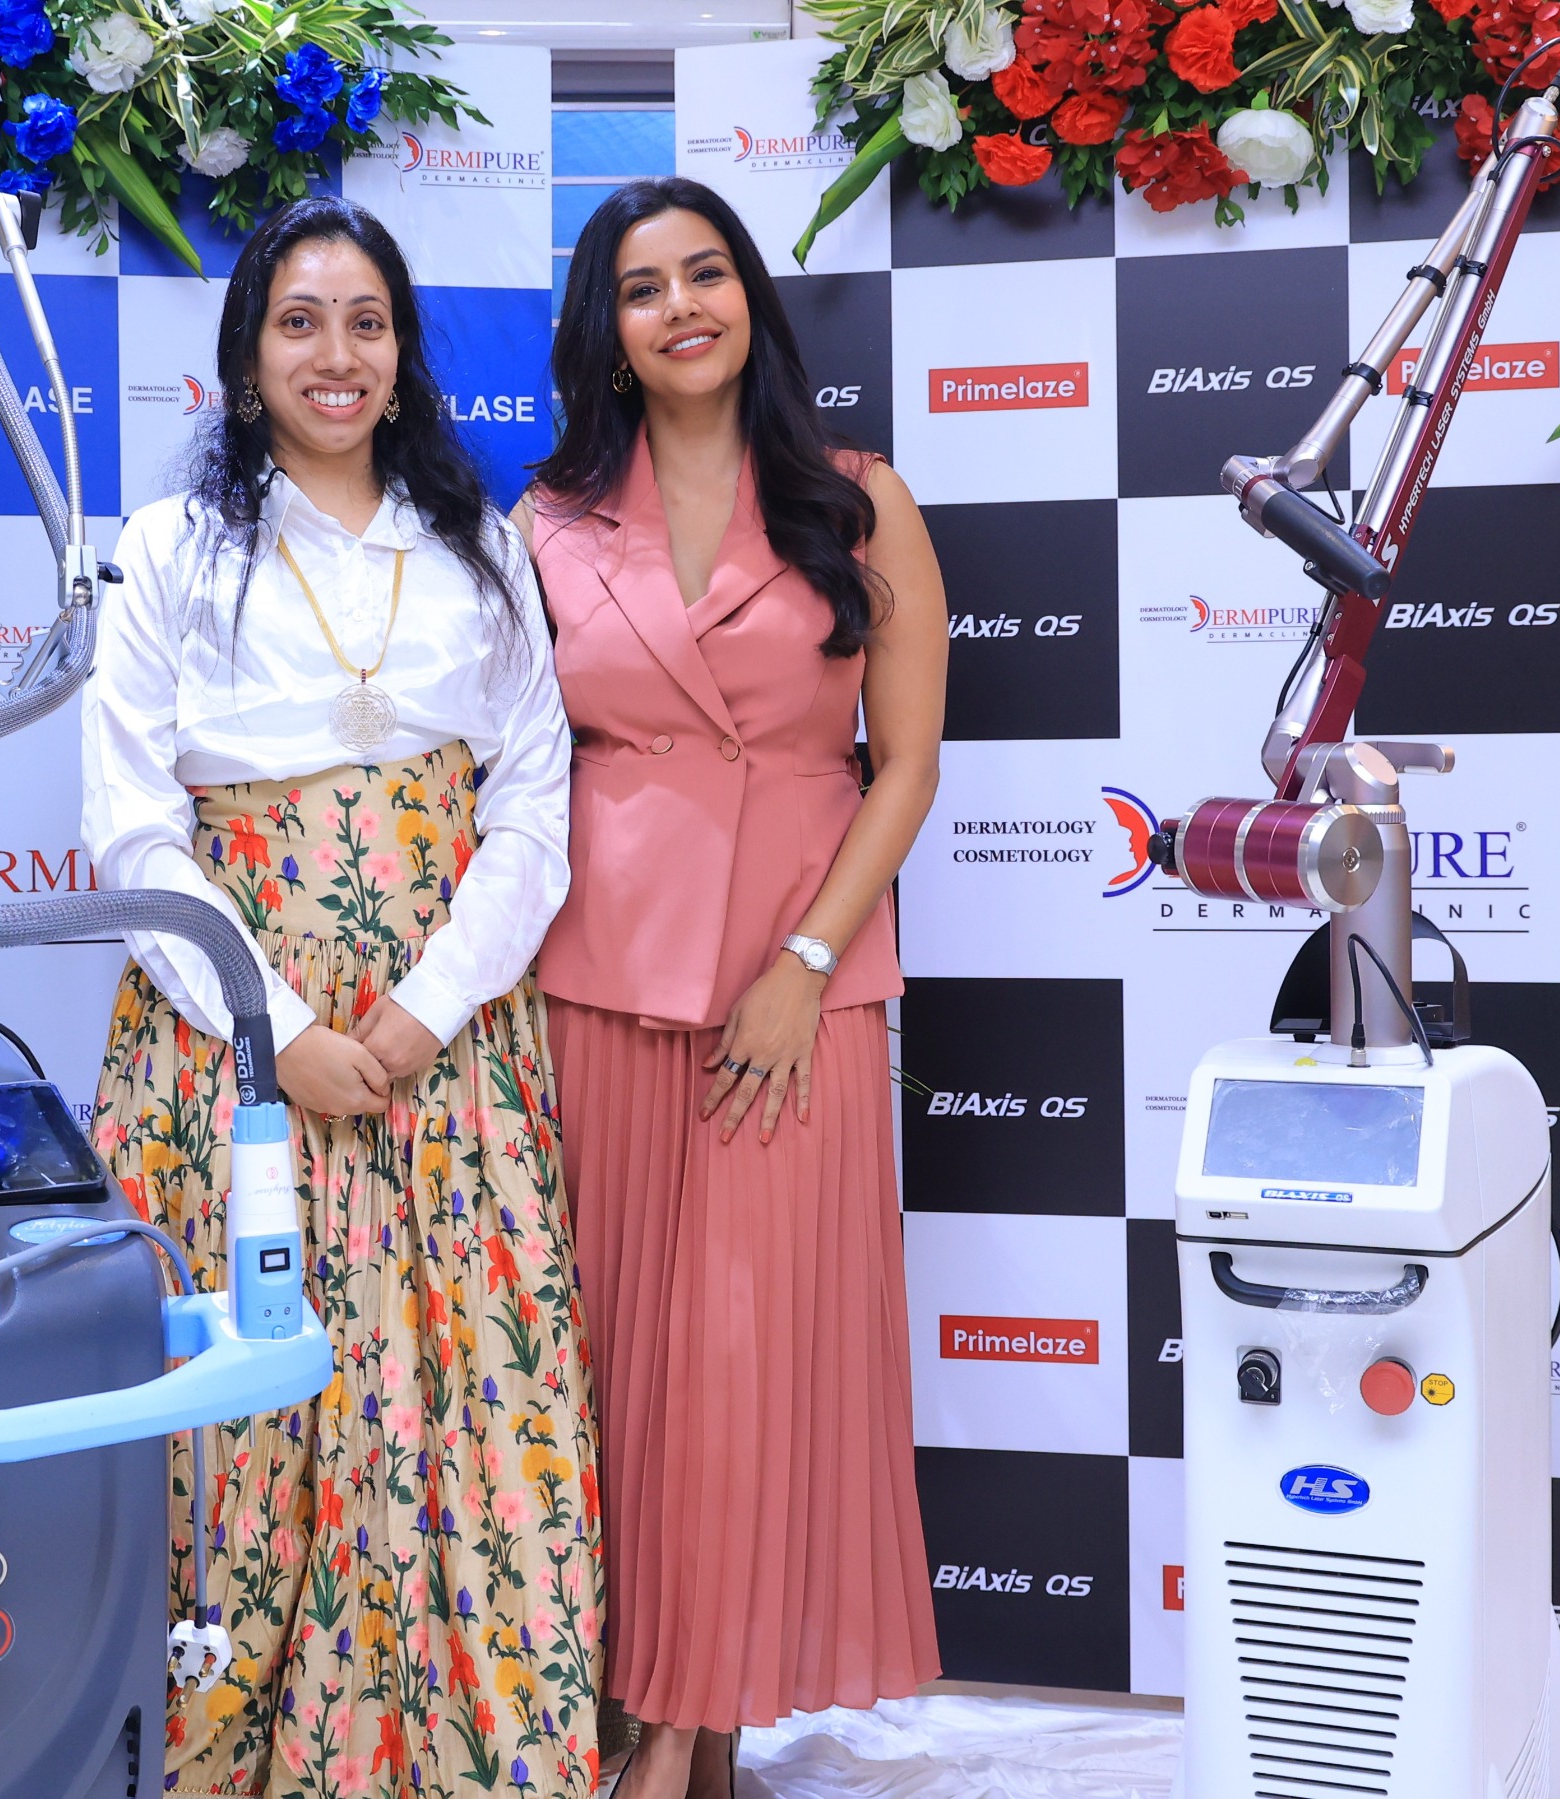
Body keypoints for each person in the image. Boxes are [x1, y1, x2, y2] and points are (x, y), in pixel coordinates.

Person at [83, 196, 601, 1799]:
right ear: (247, 356)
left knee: (471, 1405)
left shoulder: (479, 547)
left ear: (403, 355)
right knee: (238, 1417)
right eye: (298, 321)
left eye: (366, 322)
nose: (335, 353)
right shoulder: (171, 552)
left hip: (448, 1062)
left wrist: (427, 1006)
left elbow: (534, 804)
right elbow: (133, 831)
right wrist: (279, 1032)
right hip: (230, 1059)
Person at [515, 176, 949, 1799]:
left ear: (751, 302)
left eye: (707, 274)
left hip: (799, 996)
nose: (680, 306)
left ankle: (677, 1742)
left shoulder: (857, 500)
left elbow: (906, 766)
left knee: (742, 1376)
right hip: (600, 987)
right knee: (625, 1381)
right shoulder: (546, 522)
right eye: (644, 287)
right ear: (609, 329)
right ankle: (673, 1740)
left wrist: (807, 963)